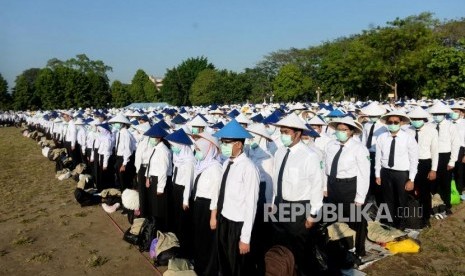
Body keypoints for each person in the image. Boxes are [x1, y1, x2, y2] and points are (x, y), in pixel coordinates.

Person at [272, 113, 324, 275]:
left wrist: (313, 214)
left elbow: (316, 186)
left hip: (299, 207)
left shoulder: (309, 156)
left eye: (286, 132)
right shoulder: (280, 152)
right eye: (281, 132)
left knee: (300, 248)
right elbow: (277, 180)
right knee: (283, 244)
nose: (283, 135)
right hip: (281, 204)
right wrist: (274, 203)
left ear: (298, 133)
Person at [213, 119, 260, 276]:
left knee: (237, 267)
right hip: (224, 220)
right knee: (224, 262)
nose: (223, 145)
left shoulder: (249, 168)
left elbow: (251, 205)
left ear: (239, 144)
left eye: (227, 142)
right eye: (222, 142)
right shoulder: (227, 163)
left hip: (238, 225)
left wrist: (245, 238)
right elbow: (221, 192)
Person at [325, 116, 370, 257]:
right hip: (332, 186)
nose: (341, 132)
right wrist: (324, 187)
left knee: (357, 219)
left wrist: (360, 197)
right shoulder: (330, 145)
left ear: (351, 132)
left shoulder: (359, 149)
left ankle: (359, 249)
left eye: (345, 130)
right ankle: (339, 246)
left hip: (349, 187)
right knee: (333, 216)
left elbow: (364, 174)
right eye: (339, 129)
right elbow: (324, 167)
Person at [375, 111, 418, 229]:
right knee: (388, 199)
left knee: (401, 199)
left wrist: (411, 179)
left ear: (401, 123)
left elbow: (414, 160)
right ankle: (390, 222)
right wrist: (377, 175)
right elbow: (378, 157)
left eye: (395, 122)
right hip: (386, 172)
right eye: (390, 122)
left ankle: (401, 224)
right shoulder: (382, 137)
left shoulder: (408, 138)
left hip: (402, 174)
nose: (392, 124)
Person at [191, 132, 222, 276]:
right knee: (199, 237)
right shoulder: (202, 164)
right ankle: (199, 265)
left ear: (207, 150)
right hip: (199, 204)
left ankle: (208, 270)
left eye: (199, 150)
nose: (196, 152)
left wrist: (213, 216)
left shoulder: (215, 167)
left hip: (208, 207)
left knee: (207, 240)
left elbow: (216, 194)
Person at [245, 123, 275, 274]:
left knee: (259, 229)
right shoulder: (250, 152)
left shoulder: (267, 158)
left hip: (262, 194)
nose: (251, 140)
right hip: (252, 191)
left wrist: (270, 202)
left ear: (261, 138)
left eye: (253, 136)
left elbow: (270, 182)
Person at [165, 128, 195, 256]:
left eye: (173, 145)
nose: (172, 148)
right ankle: (177, 241)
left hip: (183, 191)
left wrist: (185, 199)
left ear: (180, 145)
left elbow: (189, 181)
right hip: (176, 187)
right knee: (176, 217)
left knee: (183, 221)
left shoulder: (189, 160)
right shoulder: (178, 157)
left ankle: (185, 248)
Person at [406, 106, 438, 228]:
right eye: (414, 118)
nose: (416, 121)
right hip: (409, 163)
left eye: (419, 118)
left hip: (424, 163)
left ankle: (426, 217)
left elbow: (435, 151)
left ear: (424, 119)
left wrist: (433, 169)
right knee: (410, 190)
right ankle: (411, 215)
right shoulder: (407, 130)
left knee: (425, 192)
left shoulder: (432, 131)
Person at [429, 101, 461, 214]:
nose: (437, 116)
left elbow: (455, 144)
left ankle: (446, 204)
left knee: (445, 181)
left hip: (444, 156)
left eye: (439, 114)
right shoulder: (430, 125)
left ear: (444, 114)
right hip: (431, 155)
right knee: (432, 181)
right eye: (435, 114)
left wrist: (452, 161)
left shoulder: (450, 126)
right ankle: (434, 204)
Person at [141, 123, 172, 231]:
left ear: (158, 138)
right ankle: (155, 229)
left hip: (160, 181)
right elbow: (151, 164)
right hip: (154, 179)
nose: (151, 139)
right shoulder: (156, 148)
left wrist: (160, 188)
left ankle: (161, 230)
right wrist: (147, 177)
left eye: (152, 137)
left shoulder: (163, 151)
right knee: (154, 207)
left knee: (159, 208)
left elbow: (163, 171)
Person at [360, 102, 387, 204]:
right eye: (371, 116)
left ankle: (378, 197)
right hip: (367, 153)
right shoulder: (366, 125)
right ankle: (368, 196)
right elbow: (364, 139)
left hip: (377, 154)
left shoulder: (383, 127)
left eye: (374, 116)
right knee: (367, 175)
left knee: (377, 175)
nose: (372, 117)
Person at [109, 114, 137, 191]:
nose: (115, 124)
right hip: (119, 157)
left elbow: (127, 150)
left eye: (117, 123)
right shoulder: (119, 133)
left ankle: (126, 195)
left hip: (124, 159)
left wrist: (124, 164)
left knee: (124, 180)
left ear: (122, 124)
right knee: (120, 179)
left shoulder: (126, 134)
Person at [450, 104, 465, 196]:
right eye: (453, 112)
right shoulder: (449, 122)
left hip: (461, 149)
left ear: (461, 113)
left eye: (456, 112)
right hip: (450, 148)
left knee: (459, 172)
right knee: (450, 170)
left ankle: (459, 191)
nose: (454, 113)